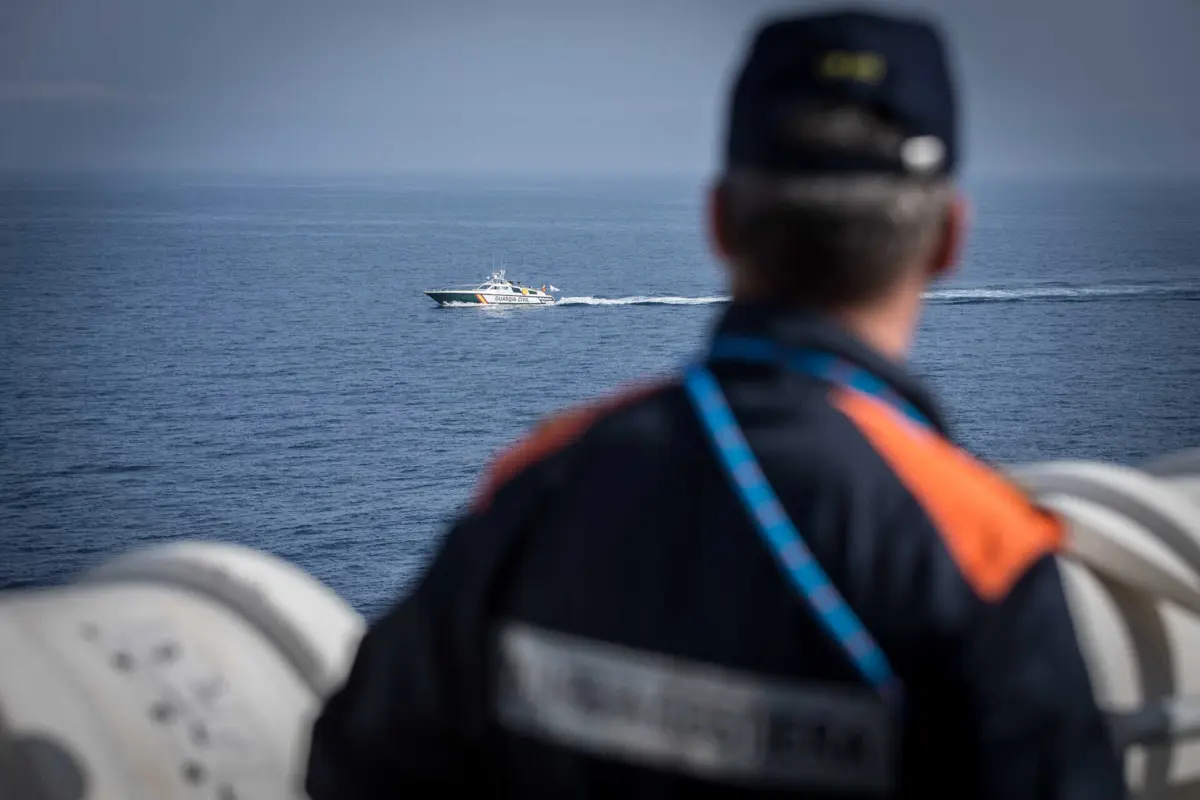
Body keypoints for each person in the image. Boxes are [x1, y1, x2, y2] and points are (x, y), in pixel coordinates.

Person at [305, 7, 1127, 798]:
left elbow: (356, 763)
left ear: (719, 222)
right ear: (951, 238)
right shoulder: (983, 551)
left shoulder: (534, 491)